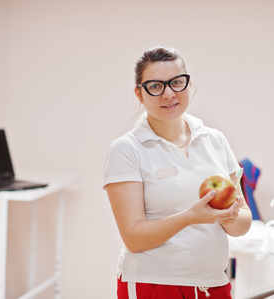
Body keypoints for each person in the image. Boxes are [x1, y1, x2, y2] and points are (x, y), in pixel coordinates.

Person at [102, 46, 252, 299]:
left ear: (188, 85)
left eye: (176, 82)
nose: (169, 93)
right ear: (139, 93)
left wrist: (228, 216)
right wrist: (190, 217)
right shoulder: (126, 149)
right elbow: (134, 238)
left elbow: (242, 223)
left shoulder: (214, 140)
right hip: (154, 285)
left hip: (214, 284)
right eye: (155, 86)